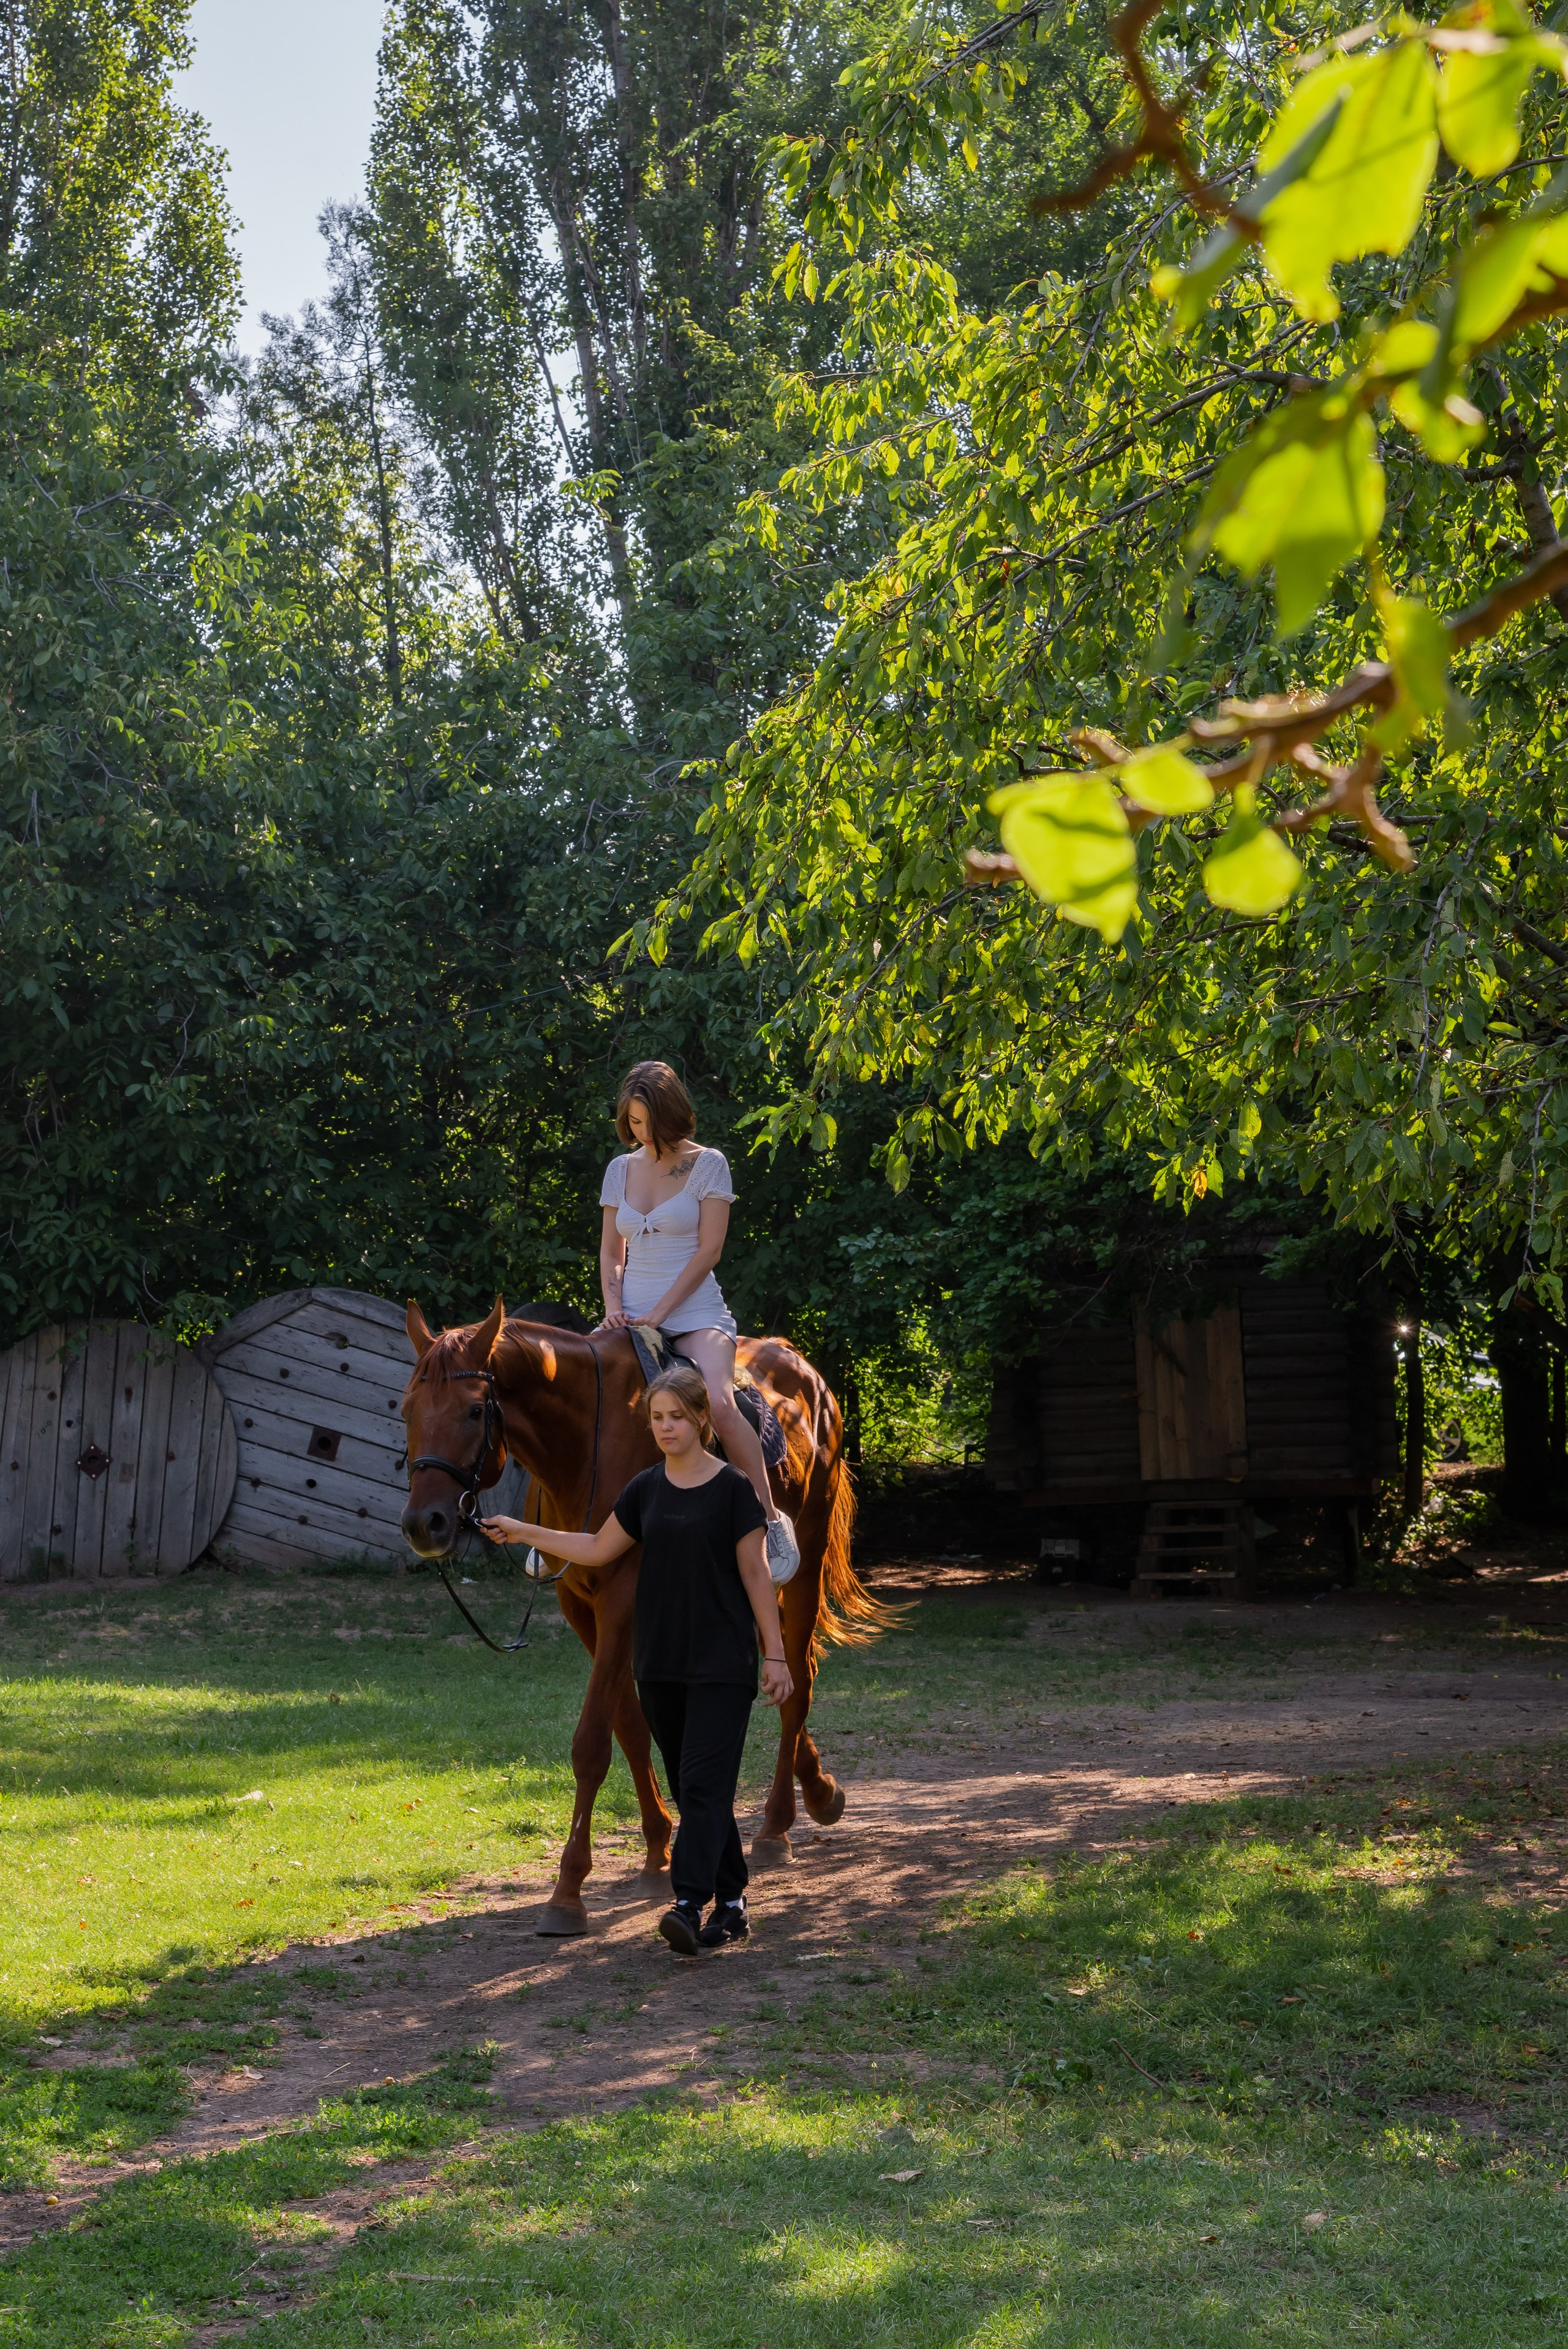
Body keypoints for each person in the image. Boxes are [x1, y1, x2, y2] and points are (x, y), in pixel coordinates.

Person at [482, 1364, 794, 1954]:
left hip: (723, 1664)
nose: (666, 1427)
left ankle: (687, 1902)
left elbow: (756, 1573)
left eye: (677, 1416)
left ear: (703, 1419)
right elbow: (598, 1547)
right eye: (656, 1417)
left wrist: (774, 1655)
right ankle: (731, 1902)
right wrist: (526, 1530)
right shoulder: (646, 1488)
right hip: (659, 1665)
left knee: (703, 1787)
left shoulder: (734, 1491)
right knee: (691, 1788)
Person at [596, 1058, 799, 1583]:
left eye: (650, 1122)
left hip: (695, 1313)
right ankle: (562, 1528)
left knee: (720, 1402)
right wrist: (613, 1304)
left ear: (672, 1114)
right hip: (631, 1315)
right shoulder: (620, 1169)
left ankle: (770, 1520)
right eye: (634, 1123)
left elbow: (708, 1251)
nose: (642, 1133)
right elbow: (610, 1253)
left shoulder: (709, 1164)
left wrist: (659, 1315)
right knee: (576, 1387)